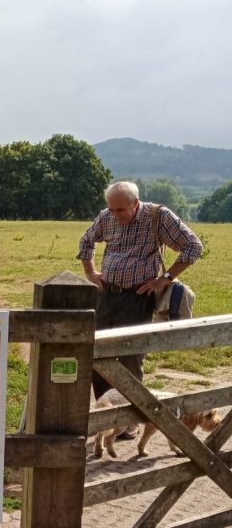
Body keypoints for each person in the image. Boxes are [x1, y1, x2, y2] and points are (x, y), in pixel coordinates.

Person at [77, 180, 202, 433]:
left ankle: (130, 420)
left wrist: (164, 279)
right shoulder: (106, 216)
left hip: (137, 297)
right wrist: (91, 273)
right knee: (98, 353)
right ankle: (107, 419)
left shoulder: (158, 216)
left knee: (131, 357)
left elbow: (193, 247)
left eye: (120, 210)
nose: (114, 215)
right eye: (110, 209)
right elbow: (86, 241)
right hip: (106, 294)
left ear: (135, 203)